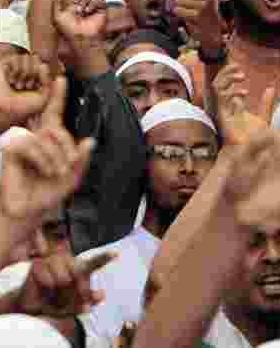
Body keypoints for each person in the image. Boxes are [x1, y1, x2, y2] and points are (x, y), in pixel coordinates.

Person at [81, 99, 220, 341]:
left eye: (202, 153)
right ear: (142, 164)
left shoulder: (240, 261)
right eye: (169, 153)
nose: (188, 167)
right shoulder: (97, 268)